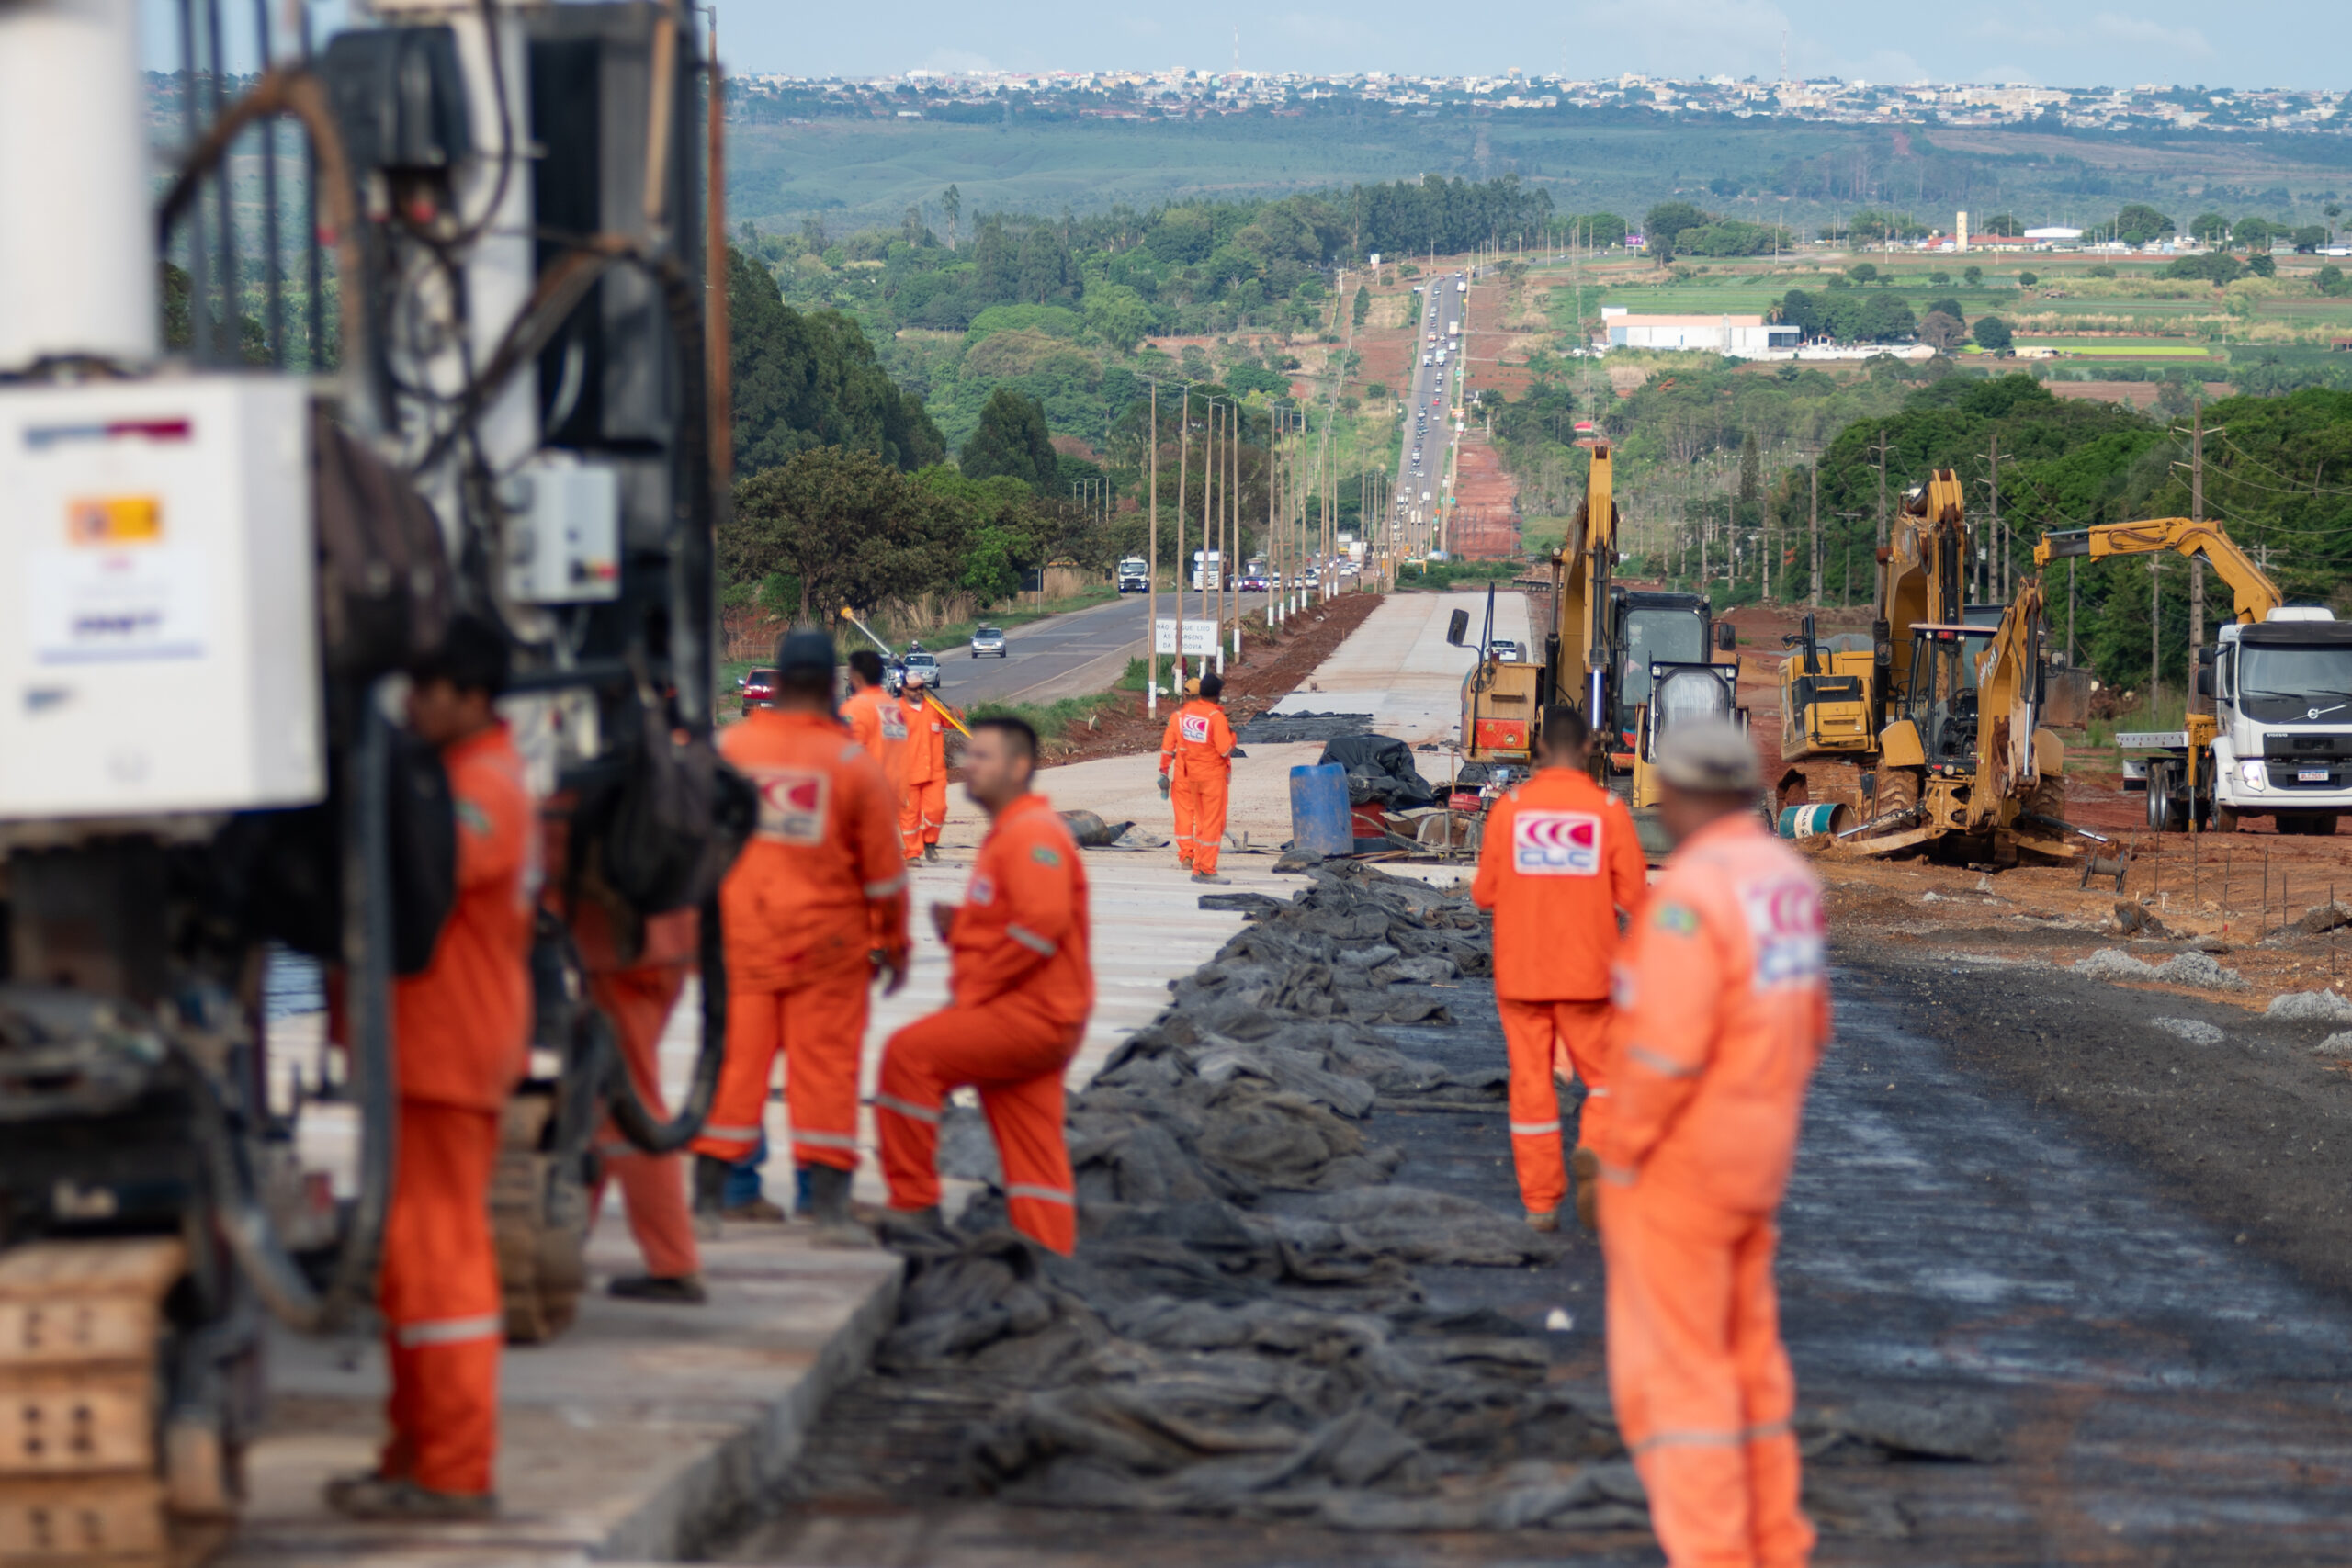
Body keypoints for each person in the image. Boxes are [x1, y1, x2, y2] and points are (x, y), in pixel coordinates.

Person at [1596, 720, 1831, 1568]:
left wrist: (1614, 1153)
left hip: (1681, 1167)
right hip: (1758, 1155)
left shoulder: (1694, 895)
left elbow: (1662, 1050)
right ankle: (1775, 1544)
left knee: (1676, 1383)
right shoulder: (1786, 880)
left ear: (1685, 796)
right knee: (1749, 1365)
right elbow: (1812, 1024)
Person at [329, 615, 534, 1521]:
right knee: (410, 1267)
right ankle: (414, 1456)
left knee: (442, 1264)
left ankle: (454, 1470)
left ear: (472, 696)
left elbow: (431, 860)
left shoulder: (485, 784)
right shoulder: (457, 772)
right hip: (420, 1050)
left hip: (448, 1049)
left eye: (427, 691)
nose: (413, 705)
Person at [691, 631, 910, 1242]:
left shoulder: (729, 750)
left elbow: (693, 851)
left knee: (735, 1069)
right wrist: (894, 945)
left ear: (780, 684)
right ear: (833, 688)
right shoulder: (847, 766)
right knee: (826, 1073)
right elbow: (884, 877)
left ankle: (716, 1200)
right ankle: (827, 1209)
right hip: (827, 951)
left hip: (741, 944)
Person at [874, 717, 1091, 1254]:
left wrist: (972, 995)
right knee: (1033, 1150)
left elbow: (1038, 928)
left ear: (1019, 768)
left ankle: (914, 1206)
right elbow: (1016, 922)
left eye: (982, 756)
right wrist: (967, 925)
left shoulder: (1032, 835)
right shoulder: (1011, 834)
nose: (967, 765)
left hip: (1027, 1015)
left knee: (907, 1058)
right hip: (1040, 1017)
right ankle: (1049, 1257)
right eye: (967, 755)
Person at [1470, 705, 1647, 1233]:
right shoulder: (1609, 811)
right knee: (1610, 1079)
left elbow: (1483, 894)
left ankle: (1541, 1205)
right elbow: (1636, 897)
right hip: (1589, 977)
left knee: (1531, 1088)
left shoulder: (1510, 809)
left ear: (1540, 749)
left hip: (1521, 976)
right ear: (1590, 748)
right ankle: (1594, 1147)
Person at [1158, 670, 1236, 884]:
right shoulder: (1214, 717)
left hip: (1189, 776)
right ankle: (1206, 869)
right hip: (1211, 778)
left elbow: (1169, 747)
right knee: (1210, 823)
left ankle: (1191, 860)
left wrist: (1163, 771)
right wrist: (1233, 735)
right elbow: (1223, 749)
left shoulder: (1182, 716)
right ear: (1217, 694)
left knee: (1192, 820)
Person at [899, 668, 949, 864]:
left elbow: (954, 722)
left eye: (922, 687)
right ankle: (912, 853)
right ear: (903, 689)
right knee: (908, 817)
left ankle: (930, 842)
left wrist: (955, 712)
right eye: (914, 689)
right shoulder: (895, 713)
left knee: (937, 809)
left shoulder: (935, 708)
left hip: (935, 773)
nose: (919, 692)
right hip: (906, 775)